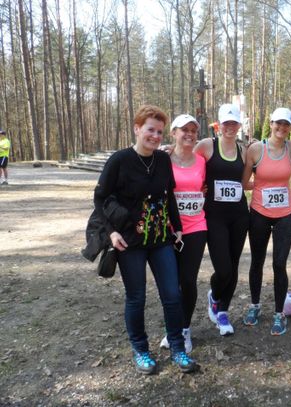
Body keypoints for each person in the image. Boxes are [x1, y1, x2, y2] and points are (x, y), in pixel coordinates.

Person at [93, 105, 198, 374]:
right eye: (150, 130)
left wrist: (177, 227)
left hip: (161, 239)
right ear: (137, 129)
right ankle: (140, 350)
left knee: (172, 295)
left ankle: (177, 347)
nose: (155, 136)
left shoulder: (162, 160)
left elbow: (169, 196)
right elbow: (100, 198)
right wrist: (111, 232)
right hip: (130, 242)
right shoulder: (119, 160)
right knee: (136, 297)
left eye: (160, 132)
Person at [241, 108, 291, 335]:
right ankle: (255, 305)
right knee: (257, 261)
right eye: (278, 123)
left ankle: (279, 313)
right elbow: (244, 182)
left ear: (290, 127)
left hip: (285, 215)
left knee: (279, 264)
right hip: (259, 213)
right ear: (271, 123)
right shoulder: (256, 149)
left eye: (286, 124)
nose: (281, 128)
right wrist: (261, 186)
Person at [194, 103, 249, 336]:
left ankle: (223, 312)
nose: (230, 127)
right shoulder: (207, 145)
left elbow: (245, 182)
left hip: (239, 215)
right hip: (214, 216)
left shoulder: (244, 150)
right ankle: (214, 296)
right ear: (219, 125)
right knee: (223, 268)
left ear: (239, 125)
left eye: (234, 123)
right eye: (226, 123)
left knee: (234, 265)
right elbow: (185, 162)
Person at [159, 114, 207, 354]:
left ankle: (184, 329)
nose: (189, 134)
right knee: (170, 284)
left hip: (196, 227)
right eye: (184, 130)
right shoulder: (163, 159)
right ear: (173, 133)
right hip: (167, 230)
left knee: (187, 281)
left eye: (193, 130)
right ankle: (172, 329)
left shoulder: (202, 161)